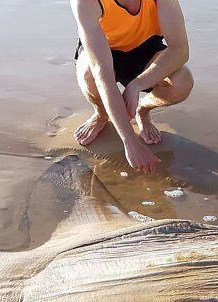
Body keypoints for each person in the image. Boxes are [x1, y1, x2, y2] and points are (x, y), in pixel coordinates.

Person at [71, 0, 194, 173]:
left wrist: (136, 86)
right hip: (106, 50)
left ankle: (142, 111)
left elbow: (180, 50)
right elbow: (102, 74)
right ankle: (101, 114)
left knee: (182, 82)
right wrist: (130, 141)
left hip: (146, 48)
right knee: (89, 73)